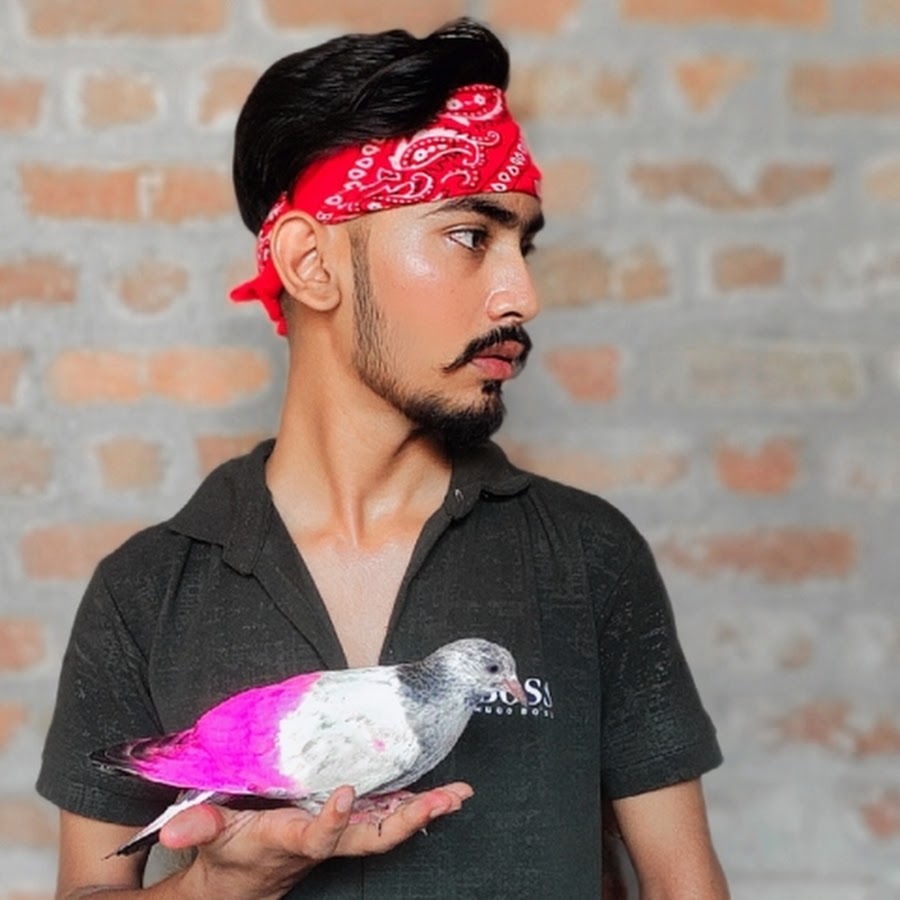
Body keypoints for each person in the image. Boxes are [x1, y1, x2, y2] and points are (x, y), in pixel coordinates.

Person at [37, 17, 729, 900]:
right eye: (470, 236)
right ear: (311, 263)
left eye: (523, 245)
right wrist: (218, 888)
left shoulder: (588, 558)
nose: (522, 294)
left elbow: (683, 885)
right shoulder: (145, 593)